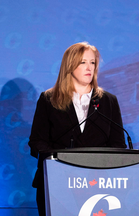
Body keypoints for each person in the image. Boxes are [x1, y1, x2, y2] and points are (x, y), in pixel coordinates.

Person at [28, 42, 127, 216]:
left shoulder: (108, 101)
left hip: (98, 183)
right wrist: (57, 161)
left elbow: (118, 145)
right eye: (83, 62)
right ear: (69, 65)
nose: (89, 67)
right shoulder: (48, 99)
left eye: (93, 62)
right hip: (57, 181)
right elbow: (37, 141)